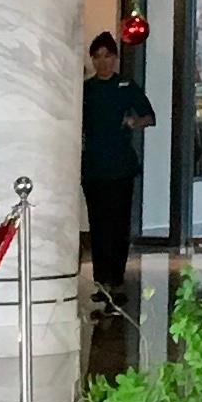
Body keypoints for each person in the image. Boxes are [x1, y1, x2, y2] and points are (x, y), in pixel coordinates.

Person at [78, 32, 156, 315]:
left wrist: (134, 122)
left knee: (118, 224)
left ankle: (117, 279)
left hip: (121, 166)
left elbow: (149, 115)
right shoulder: (86, 90)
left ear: (115, 58)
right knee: (98, 224)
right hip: (95, 167)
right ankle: (101, 282)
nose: (102, 62)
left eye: (107, 56)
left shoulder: (125, 86)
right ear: (92, 59)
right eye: (97, 56)